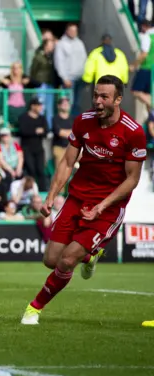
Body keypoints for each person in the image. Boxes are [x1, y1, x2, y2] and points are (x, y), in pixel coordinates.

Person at [21, 75, 147, 325]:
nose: (98, 101)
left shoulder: (134, 133)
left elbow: (132, 179)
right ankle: (90, 256)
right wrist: (51, 196)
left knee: (67, 260)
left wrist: (101, 206)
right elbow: (68, 162)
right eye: (95, 95)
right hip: (76, 199)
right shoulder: (82, 121)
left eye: (104, 97)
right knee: (51, 260)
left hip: (108, 208)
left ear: (118, 99)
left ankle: (34, 308)